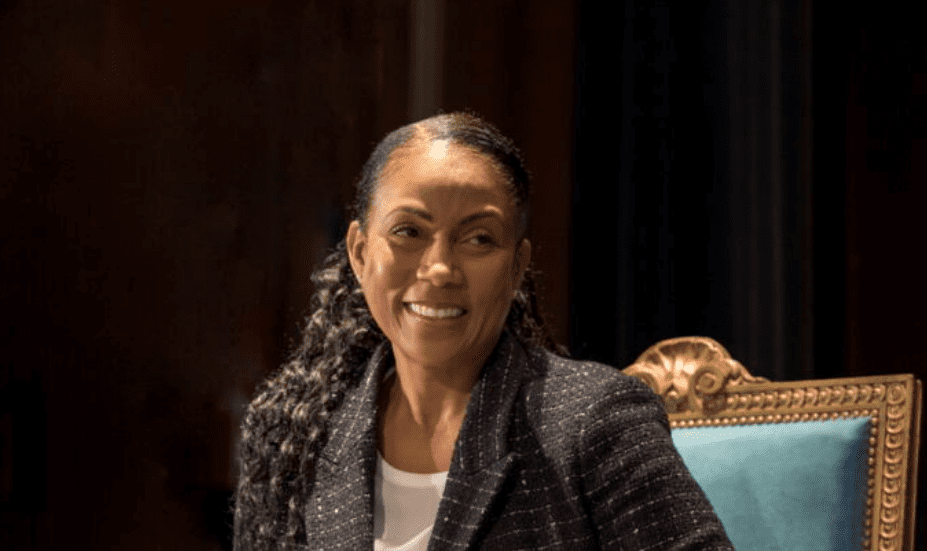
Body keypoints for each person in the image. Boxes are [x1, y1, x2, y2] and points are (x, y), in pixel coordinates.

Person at [233, 112, 733, 550]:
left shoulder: (595, 422)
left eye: (478, 239)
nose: (439, 269)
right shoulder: (293, 434)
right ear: (360, 253)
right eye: (409, 231)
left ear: (517, 268)